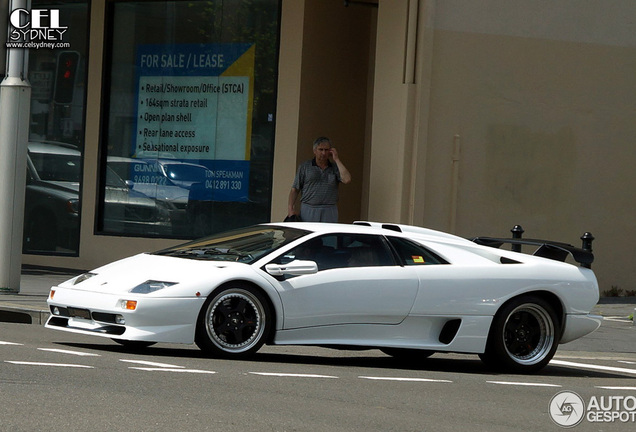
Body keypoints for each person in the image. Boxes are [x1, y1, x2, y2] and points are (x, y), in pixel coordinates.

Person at [287, 136, 352, 223]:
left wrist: (336, 159)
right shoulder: (305, 167)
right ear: (315, 151)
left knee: (329, 235)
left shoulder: (335, 168)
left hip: (329, 209)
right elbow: (295, 189)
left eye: (326, 150)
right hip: (309, 208)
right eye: (320, 150)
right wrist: (291, 209)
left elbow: (347, 179)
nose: (323, 153)